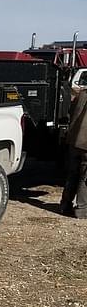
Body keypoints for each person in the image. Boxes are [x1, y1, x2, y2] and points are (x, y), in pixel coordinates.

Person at [60, 89, 87, 218]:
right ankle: (82, 209)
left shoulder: (81, 95)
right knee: (85, 177)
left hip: (74, 139)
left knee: (72, 175)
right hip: (85, 142)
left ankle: (65, 205)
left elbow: (71, 112)